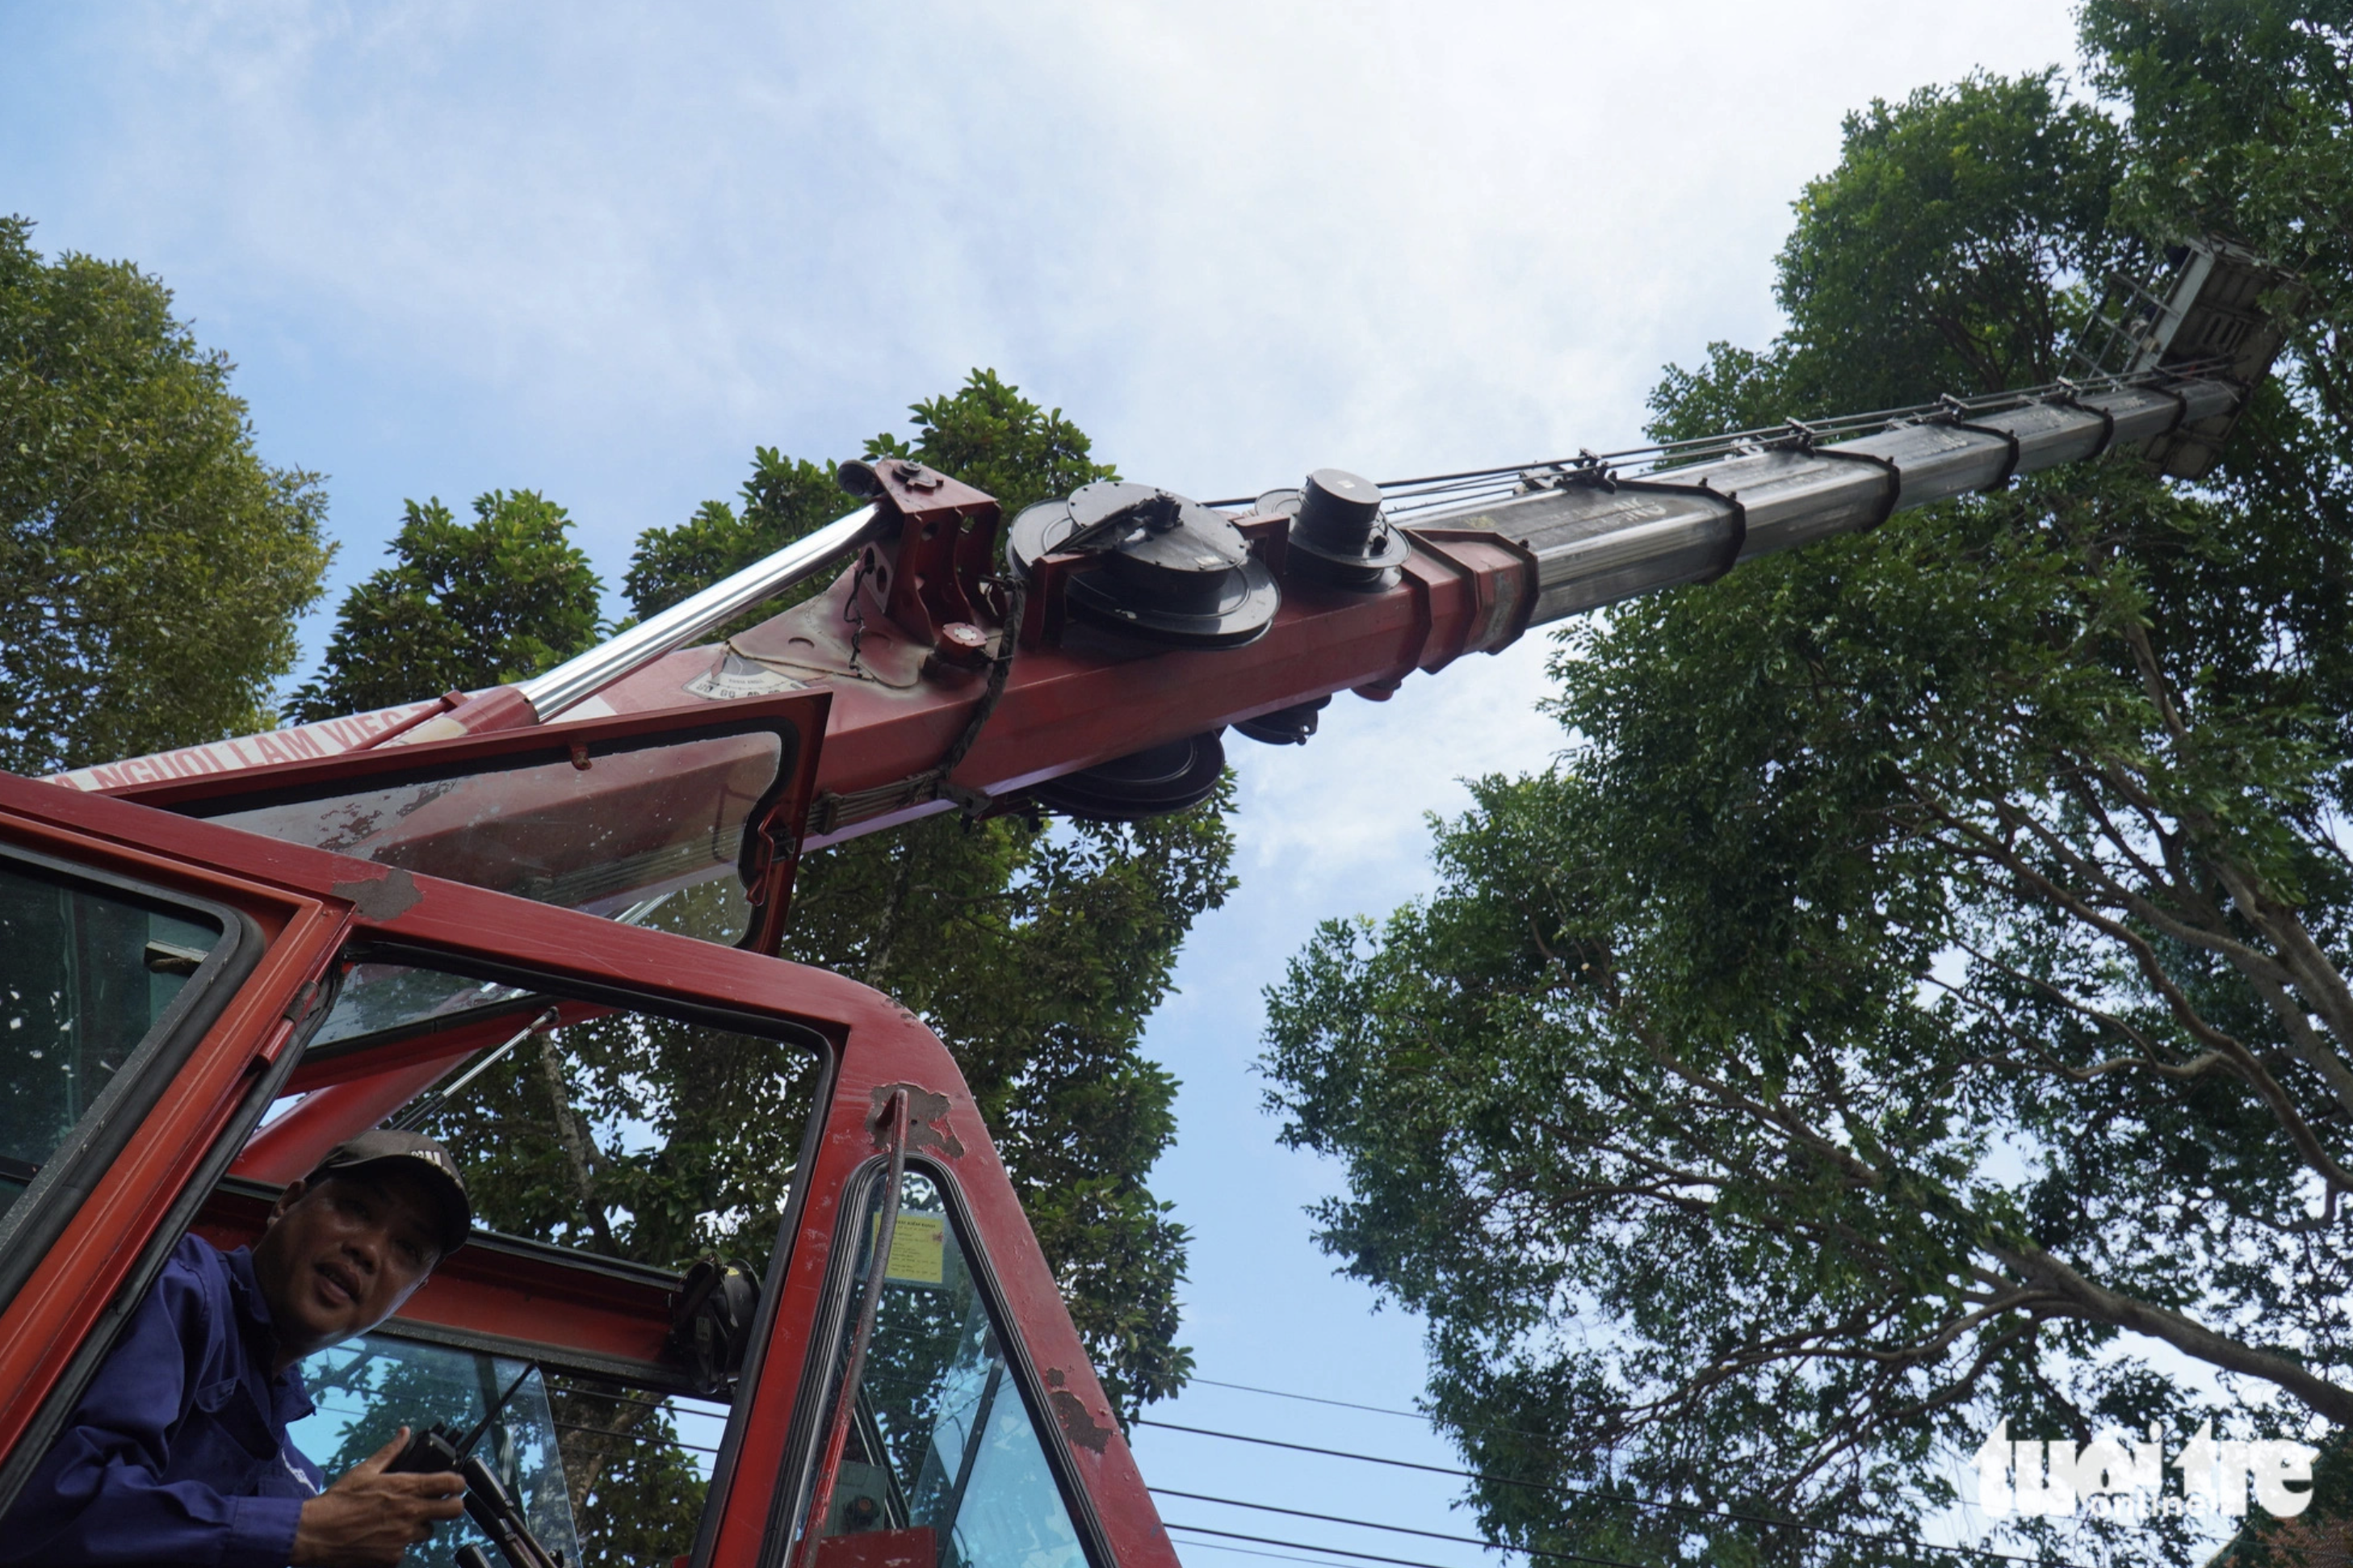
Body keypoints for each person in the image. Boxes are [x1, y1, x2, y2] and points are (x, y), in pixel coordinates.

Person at [0, 1130, 477, 1568]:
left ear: (407, 1296)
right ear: (286, 1204)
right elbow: (46, 1507)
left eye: (407, 1250)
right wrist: (304, 1531)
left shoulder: (296, 1478)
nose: (369, 1250)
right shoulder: (177, 1289)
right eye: (356, 1208)